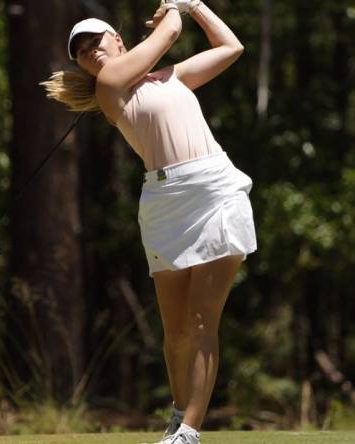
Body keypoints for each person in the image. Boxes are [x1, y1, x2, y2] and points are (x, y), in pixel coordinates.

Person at [41, 1, 256, 443]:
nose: (89, 52)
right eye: (80, 51)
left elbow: (231, 46)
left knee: (200, 322)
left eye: (94, 41)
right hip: (162, 201)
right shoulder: (110, 85)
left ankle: (189, 432)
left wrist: (194, 6)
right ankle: (179, 416)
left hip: (214, 190)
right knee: (175, 330)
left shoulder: (169, 77)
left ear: (118, 38)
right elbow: (170, 34)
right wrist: (172, 10)